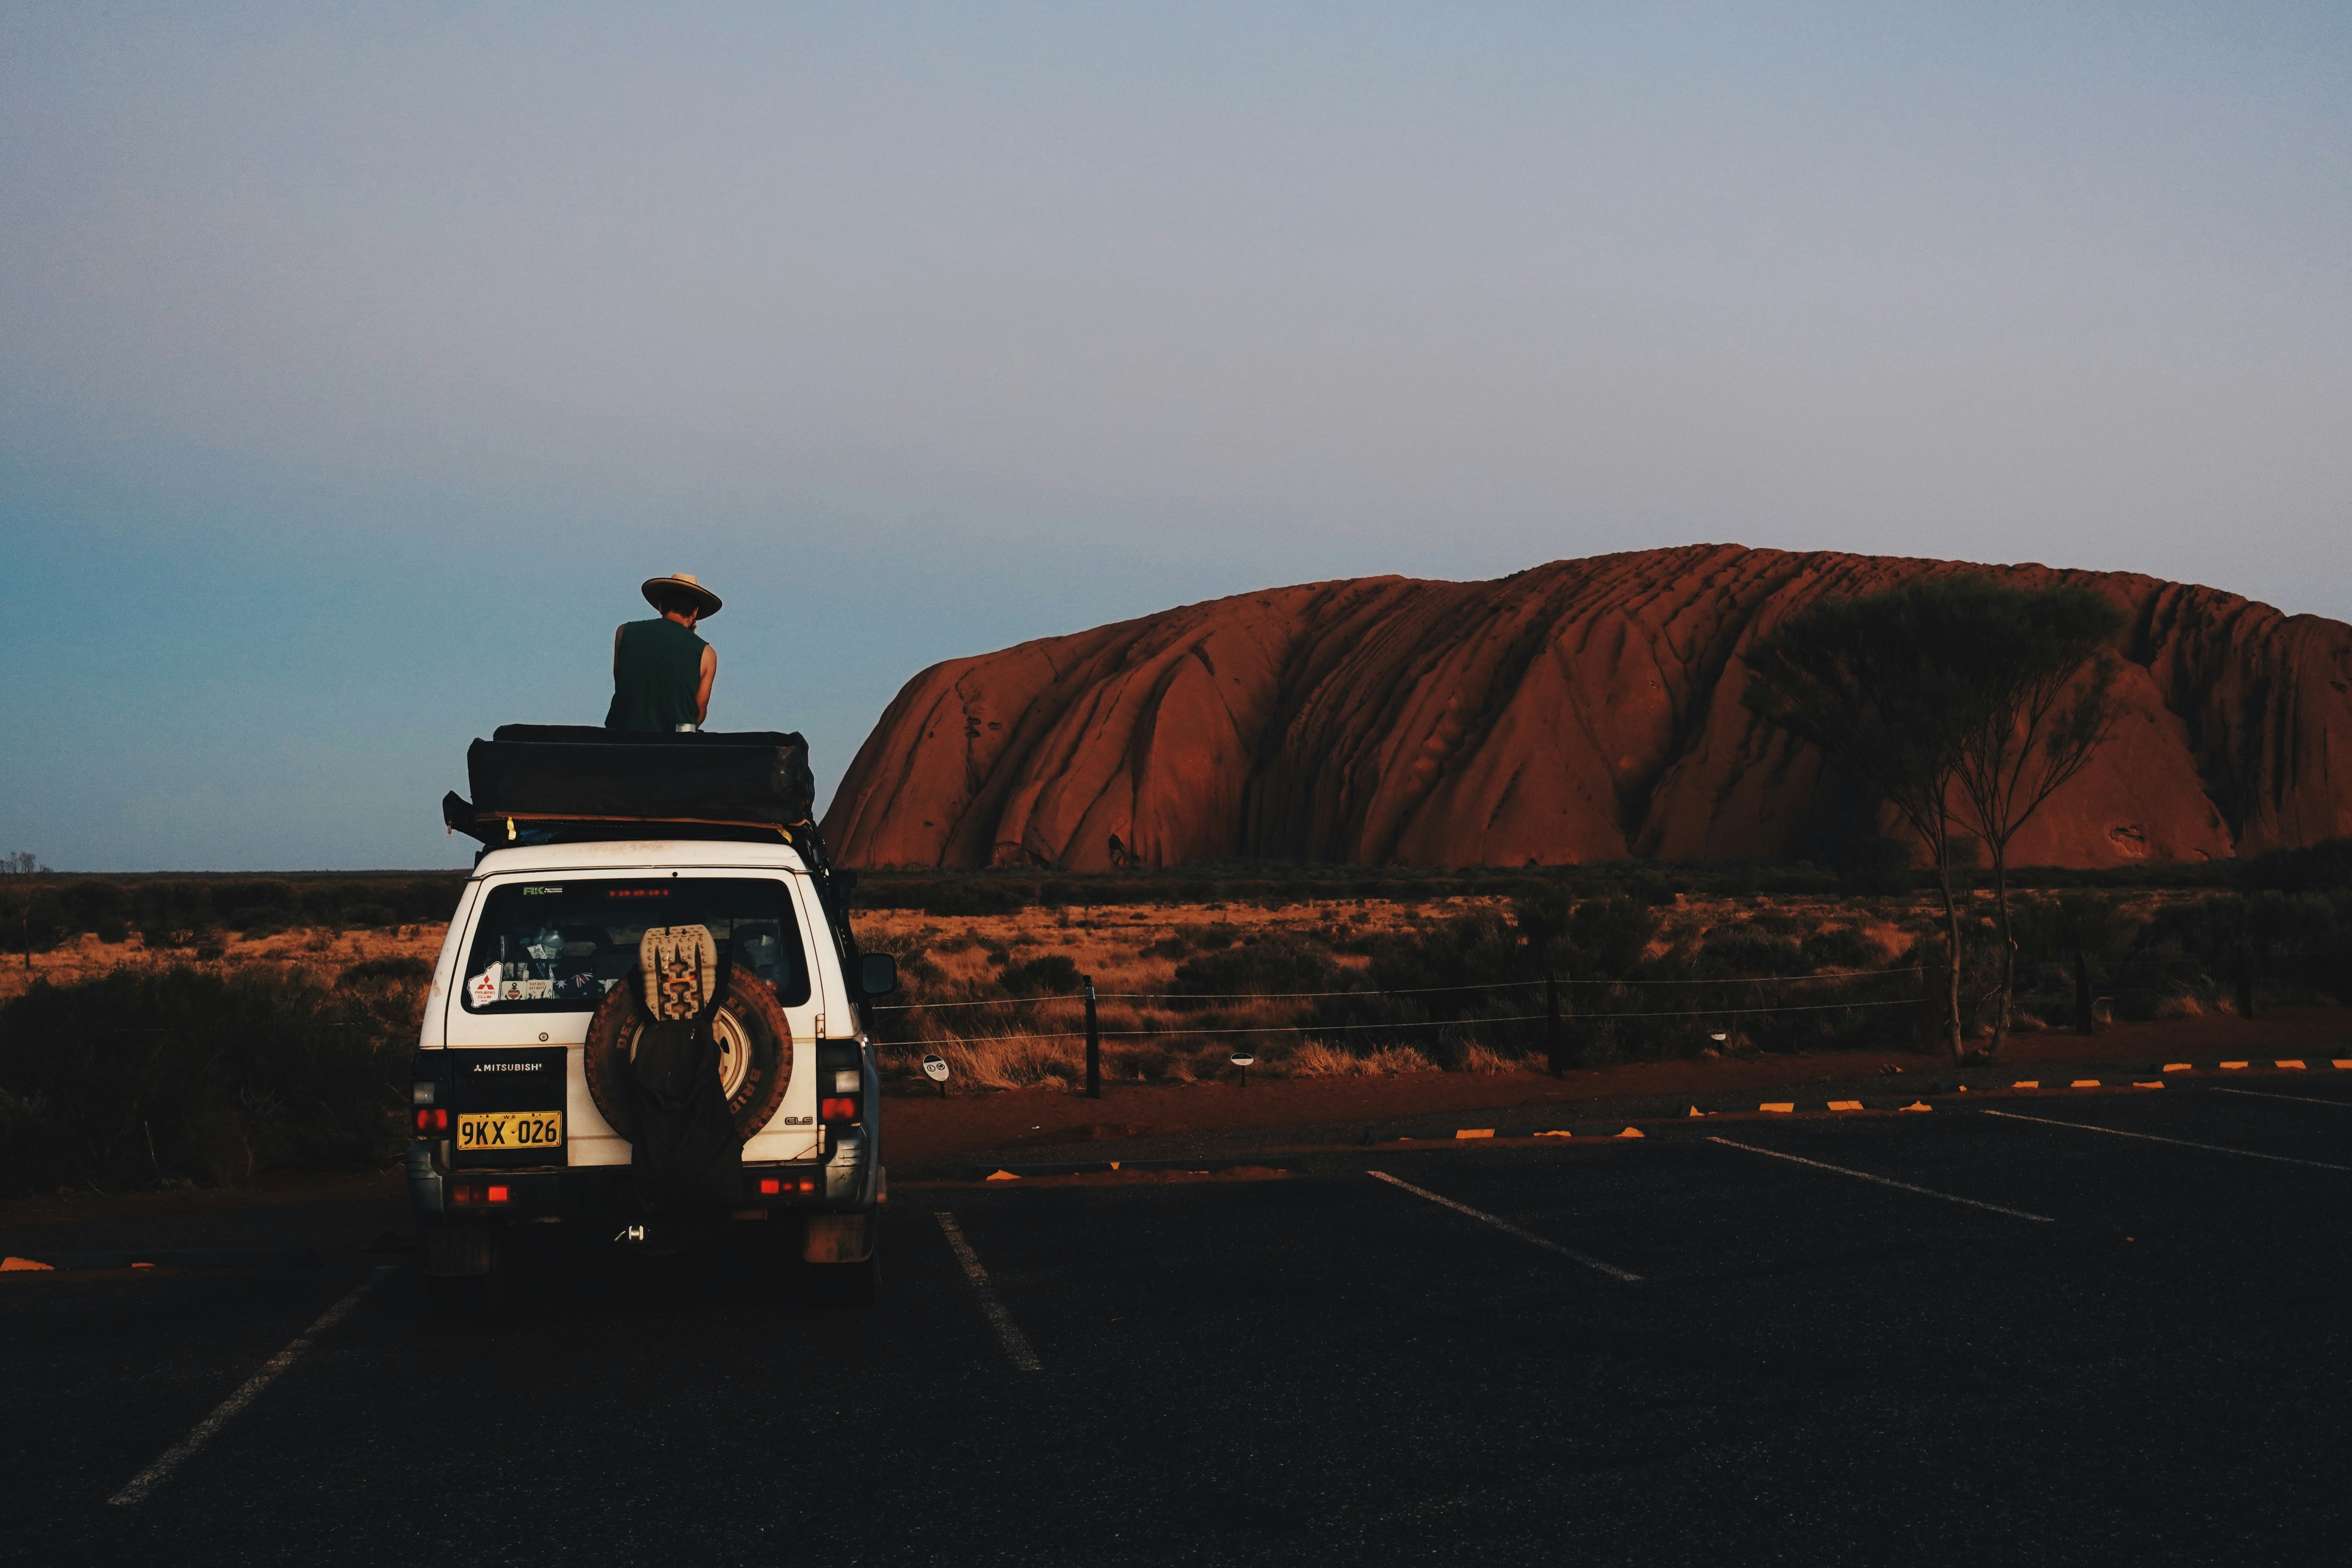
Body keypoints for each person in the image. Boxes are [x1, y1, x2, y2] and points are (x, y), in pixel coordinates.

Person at [606, 573, 721, 732]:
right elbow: (698, 715)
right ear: (695, 612)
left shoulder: (624, 632)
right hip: (672, 747)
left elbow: (624, 682)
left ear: (661, 606)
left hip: (621, 740)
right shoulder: (706, 653)